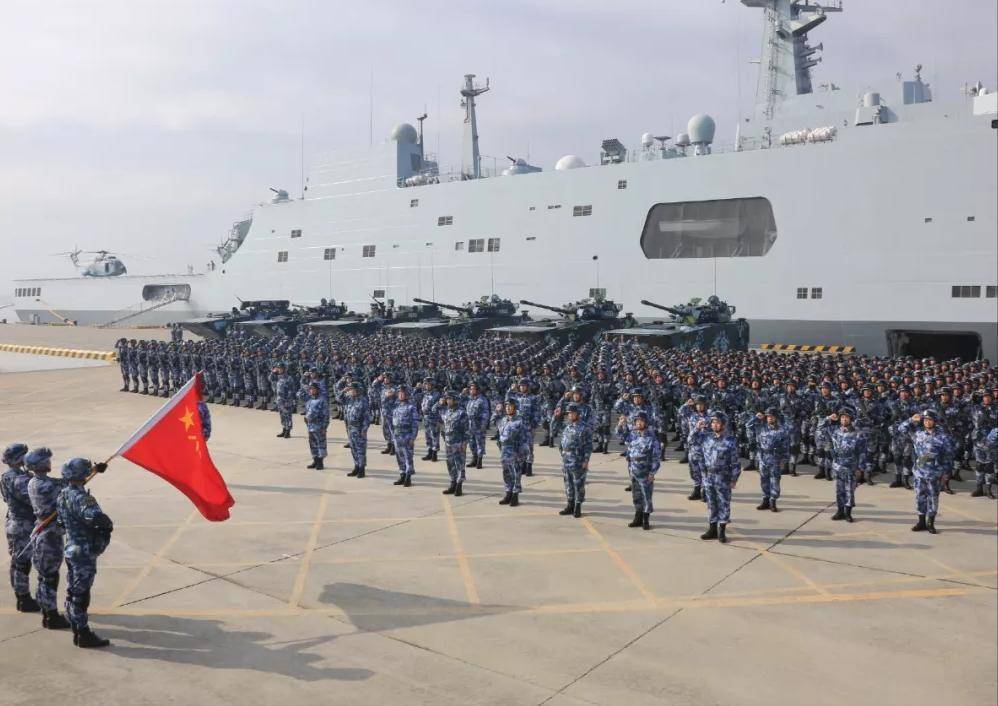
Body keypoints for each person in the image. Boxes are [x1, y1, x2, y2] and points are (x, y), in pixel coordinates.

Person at [57, 457, 111, 648]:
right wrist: (104, 535)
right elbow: (99, 520)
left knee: (73, 590)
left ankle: (75, 624)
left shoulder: (62, 494)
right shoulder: (83, 499)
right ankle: (83, 633)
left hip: (71, 548)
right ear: (83, 474)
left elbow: (60, 523)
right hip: (84, 552)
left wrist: (94, 470)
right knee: (81, 594)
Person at [25, 447, 71, 629]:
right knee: (50, 577)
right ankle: (51, 616)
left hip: (42, 531)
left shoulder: (34, 482)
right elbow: (71, 484)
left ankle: (47, 612)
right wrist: (89, 472)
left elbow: (63, 482)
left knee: (44, 577)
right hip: (49, 535)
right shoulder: (47, 486)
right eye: (47, 460)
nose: (50, 462)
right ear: (42, 464)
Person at [898, 410, 954, 533]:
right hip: (919, 472)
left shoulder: (943, 437)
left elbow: (948, 456)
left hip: (935, 473)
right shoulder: (917, 433)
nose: (927, 422)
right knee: (920, 497)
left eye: (930, 420)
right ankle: (921, 522)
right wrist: (911, 420)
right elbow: (901, 429)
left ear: (935, 421)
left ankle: (930, 523)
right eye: (925, 420)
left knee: (933, 498)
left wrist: (946, 474)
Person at [690, 410, 740, 542]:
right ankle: (712, 529)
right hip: (709, 476)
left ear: (723, 424)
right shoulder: (707, 437)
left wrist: (734, 479)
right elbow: (691, 441)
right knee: (711, 503)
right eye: (713, 422)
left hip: (723, 477)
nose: (715, 425)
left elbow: (735, 462)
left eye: (718, 423)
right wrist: (697, 428)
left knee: (723, 503)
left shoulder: (730, 441)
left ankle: (722, 531)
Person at [1, 442, 40, 612]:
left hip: (16, 522)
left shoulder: (9, 475)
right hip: (22, 525)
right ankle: (23, 599)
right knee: (21, 563)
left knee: (19, 562)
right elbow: (35, 498)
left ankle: (22, 597)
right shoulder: (19, 479)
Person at [819, 406, 869, 523]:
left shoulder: (858, 434)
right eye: (842, 417)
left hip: (851, 467)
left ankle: (848, 513)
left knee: (849, 491)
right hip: (837, 466)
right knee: (839, 490)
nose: (844, 420)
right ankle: (840, 511)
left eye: (846, 418)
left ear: (851, 419)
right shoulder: (835, 431)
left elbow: (863, 452)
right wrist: (828, 418)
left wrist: (860, 469)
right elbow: (820, 429)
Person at [625, 411, 660, 529]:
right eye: (637, 421)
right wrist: (621, 425)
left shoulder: (651, 439)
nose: (638, 423)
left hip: (645, 473)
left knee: (646, 496)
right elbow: (622, 437)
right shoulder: (633, 436)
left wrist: (652, 473)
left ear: (646, 423)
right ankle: (638, 517)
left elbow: (656, 458)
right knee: (636, 496)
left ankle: (646, 519)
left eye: (641, 421)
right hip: (634, 472)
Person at [559, 403, 593, 518]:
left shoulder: (584, 428)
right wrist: (563, 453)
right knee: (568, 483)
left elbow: (588, 446)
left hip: (578, 460)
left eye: (572, 413)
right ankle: (570, 504)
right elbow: (562, 442)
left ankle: (578, 506)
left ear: (578, 414)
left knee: (578, 484)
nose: (570, 415)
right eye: (569, 414)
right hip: (566, 460)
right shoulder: (567, 427)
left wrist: (586, 460)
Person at [755, 407, 791, 512]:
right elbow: (748, 425)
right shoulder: (761, 428)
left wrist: (784, 460)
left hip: (775, 458)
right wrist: (756, 418)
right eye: (768, 416)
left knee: (775, 480)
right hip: (763, 458)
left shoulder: (782, 430)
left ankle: (773, 501)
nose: (769, 418)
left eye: (772, 416)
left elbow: (786, 446)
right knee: (764, 480)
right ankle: (765, 500)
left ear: (776, 417)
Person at [497, 399, 529, 506]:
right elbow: (493, 420)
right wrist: (497, 411)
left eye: (510, 406)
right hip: (504, 451)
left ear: (515, 408)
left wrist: (523, 454)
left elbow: (525, 439)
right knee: (506, 473)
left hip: (515, 451)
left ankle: (515, 495)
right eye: (506, 406)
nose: (508, 408)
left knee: (516, 473)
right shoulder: (503, 420)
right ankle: (508, 493)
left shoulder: (520, 421)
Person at [440, 390, 469, 496]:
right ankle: (453, 483)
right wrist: (439, 403)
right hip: (448, 443)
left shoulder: (461, 413)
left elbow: (467, 429)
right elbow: (434, 412)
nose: (448, 401)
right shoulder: (446, 411)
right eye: (447, 399)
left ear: (455, 400)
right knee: (450, 464)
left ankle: (459, 485)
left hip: (458, 443)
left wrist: (465, 442)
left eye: (450, 399)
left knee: (459, 464)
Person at [391, 385, 420, 487]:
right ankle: (402, 475)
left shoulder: (411, 407)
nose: (401, 395)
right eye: (399, 393)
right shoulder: (396, 407)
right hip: (397, 435)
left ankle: (408, 477)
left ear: (407, 395)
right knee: (399, 457)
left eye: (403, 393)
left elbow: (415, 424)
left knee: (408, 457)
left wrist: (413, 437)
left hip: (406, 435)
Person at [344, 382, 371, 478]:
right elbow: (338, 398)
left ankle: (361, 469)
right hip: (351, 428)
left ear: (358, 390)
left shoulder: (363, 401)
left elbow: (367, 417)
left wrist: (364, 429)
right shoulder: (349, 399)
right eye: (350, 389)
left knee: (360, 450)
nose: (351, 391)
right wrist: (344, 390)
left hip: (359, 429)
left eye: (352, 389)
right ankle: (356, 466)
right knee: (353, 449)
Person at [303, 382, 329, 470]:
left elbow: (326, 415)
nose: (311, 390)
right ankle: (315, 460)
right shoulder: (309, 400)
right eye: (310, 389)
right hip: (310, 425)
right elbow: (299, 395)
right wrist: (304, 388)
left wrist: (324, 427)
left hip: (319, 426)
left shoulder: (322, 400)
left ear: (317, 390)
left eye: (313, 389)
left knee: (320, 444)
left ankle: (320, 462)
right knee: (312, 444)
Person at [465, 381, 491, 469]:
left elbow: (486, 413)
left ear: (477, 390)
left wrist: (483, 425)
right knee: (471, 443)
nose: (471, 390)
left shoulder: (482, 400)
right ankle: (474, 459)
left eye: (473, 389)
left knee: (480, 443)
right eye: (470, 389)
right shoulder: (470, 399)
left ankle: (479, 461)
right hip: (470, 425)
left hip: (479, 425)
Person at [420, 378, 442, 462]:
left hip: (434, 418)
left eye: (429, 384)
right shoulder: (425, 394)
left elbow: (439, 406)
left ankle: (434, 454)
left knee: (434, 436)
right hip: (426, 418)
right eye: (426, 384)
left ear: (432, 385)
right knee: (428, 436)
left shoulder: (437, 394)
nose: (427, 386)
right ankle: (429, 452)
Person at [273, 361, 296, 438]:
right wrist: (273, 372)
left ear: (284, 369)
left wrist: (288, 400)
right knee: (282, 415)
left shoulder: (289, 378)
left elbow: (292, 390)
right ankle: (284, 429)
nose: (279, 369)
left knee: (288, 416)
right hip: (280, 400)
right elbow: (270, 379)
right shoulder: (278, 376)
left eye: (280, 368)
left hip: (287, 400)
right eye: (278, 368)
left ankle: (288, 431)